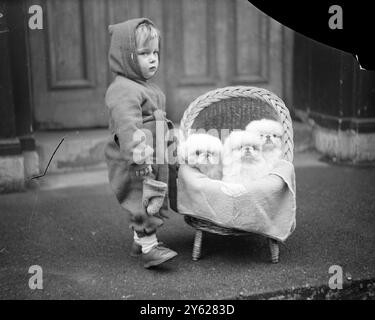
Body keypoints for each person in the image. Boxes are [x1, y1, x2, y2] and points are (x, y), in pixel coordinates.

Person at [104, 18, 178, 269]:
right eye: (144, 53)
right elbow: (128, 127)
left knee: (153, 196)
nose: (153, 58)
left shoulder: (145, 87)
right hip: (135, 161)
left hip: (152, 155)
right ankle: (150, 249)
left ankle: (140, 241)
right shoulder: (122, 90)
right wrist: (139, 158)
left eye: (155, 52)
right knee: (143, 199)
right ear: (125, 57)